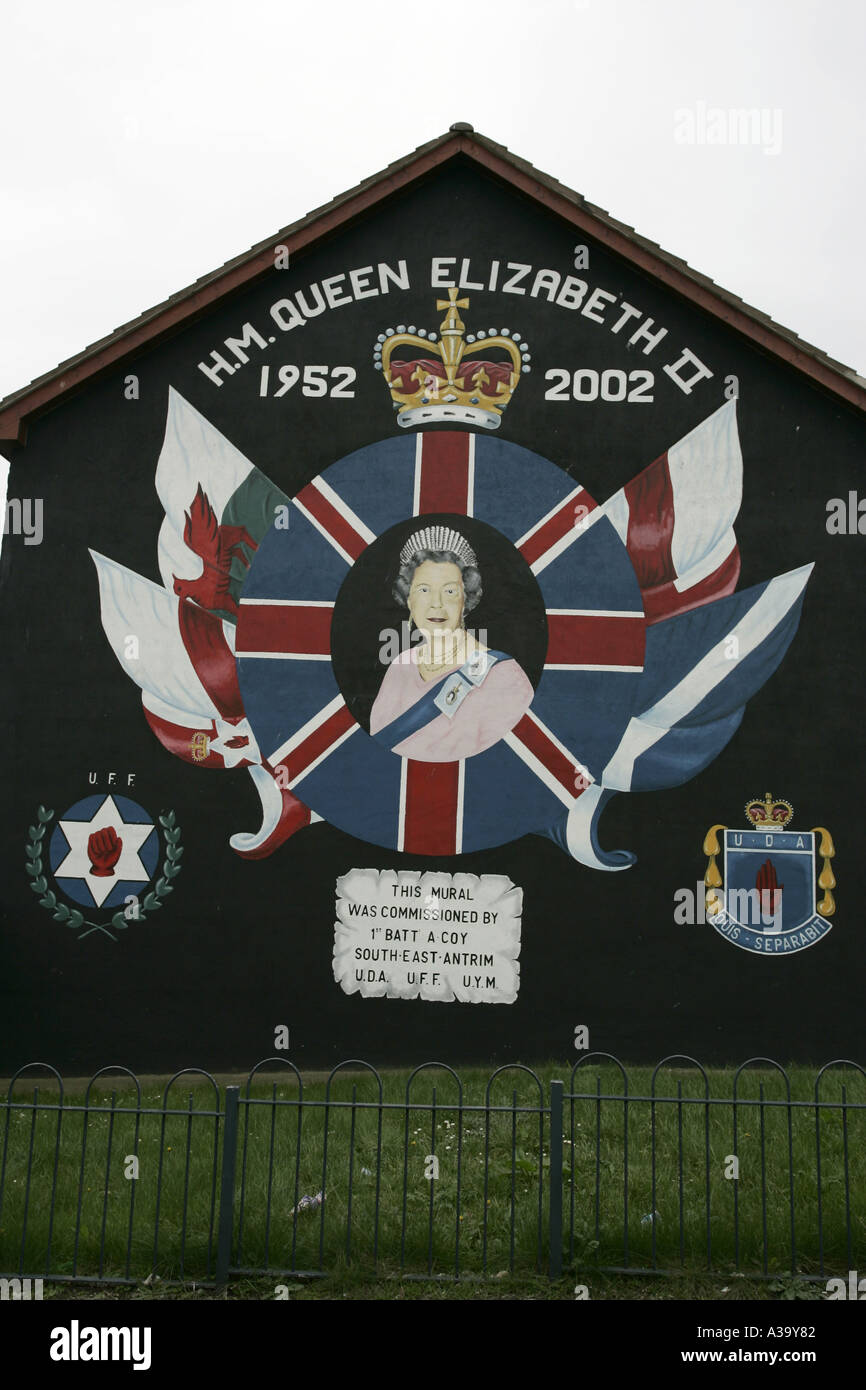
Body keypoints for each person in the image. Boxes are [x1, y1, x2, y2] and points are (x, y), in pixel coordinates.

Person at [369, 525, 534, 762]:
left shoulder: (506, 679)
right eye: (424, 590)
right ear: (409, 598)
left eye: (449, 591)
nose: (436, 603)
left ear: (466, 598)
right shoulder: (399, 666)